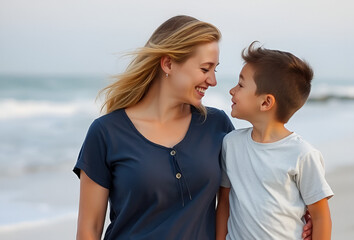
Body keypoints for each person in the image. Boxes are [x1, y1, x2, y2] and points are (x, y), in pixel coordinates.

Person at [73, 16, 314, 240]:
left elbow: (257, 187)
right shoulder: (106, 133)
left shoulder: (216, 126)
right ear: (168, 63)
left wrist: (300, 215)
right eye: (205, 69)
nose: (213, 80)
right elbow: (89, 228)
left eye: (215, 69)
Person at [216, 42, 333, 240]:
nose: (232, 91)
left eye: (241, 85)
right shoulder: (231, 144)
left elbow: (320, 216)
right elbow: (224, 203)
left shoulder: (303, 154)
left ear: (265, 102)